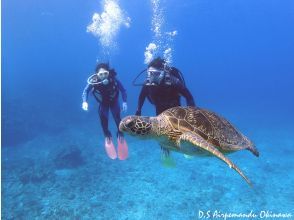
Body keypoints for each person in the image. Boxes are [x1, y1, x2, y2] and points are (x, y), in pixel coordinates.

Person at [135, 57, 196, 165]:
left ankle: (187, 147)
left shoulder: (174, 81)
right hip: (160, 108)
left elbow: (189, 97)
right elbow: (141, 97)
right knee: (160, 131)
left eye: (156, 74)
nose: (152, 77)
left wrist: (191, 114)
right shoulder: (147, 83)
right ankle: (165, 151)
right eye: (150, 74)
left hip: (176, 109)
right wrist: (138, 111)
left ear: (163, 73)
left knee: (181, 129)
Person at [82, 63, 128, 160]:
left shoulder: (114, 80)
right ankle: (107, 136)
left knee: (118, 120)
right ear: (97, 75)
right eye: (101, 74)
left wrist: (124, 102)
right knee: (103, 120)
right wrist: (84, 101)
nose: (103, 76)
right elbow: (85, 91)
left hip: (114, 102)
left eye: (105, 73)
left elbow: (123, 90)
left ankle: (120, 135)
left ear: (109, 73)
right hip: (103, 104)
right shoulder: (93, 82)